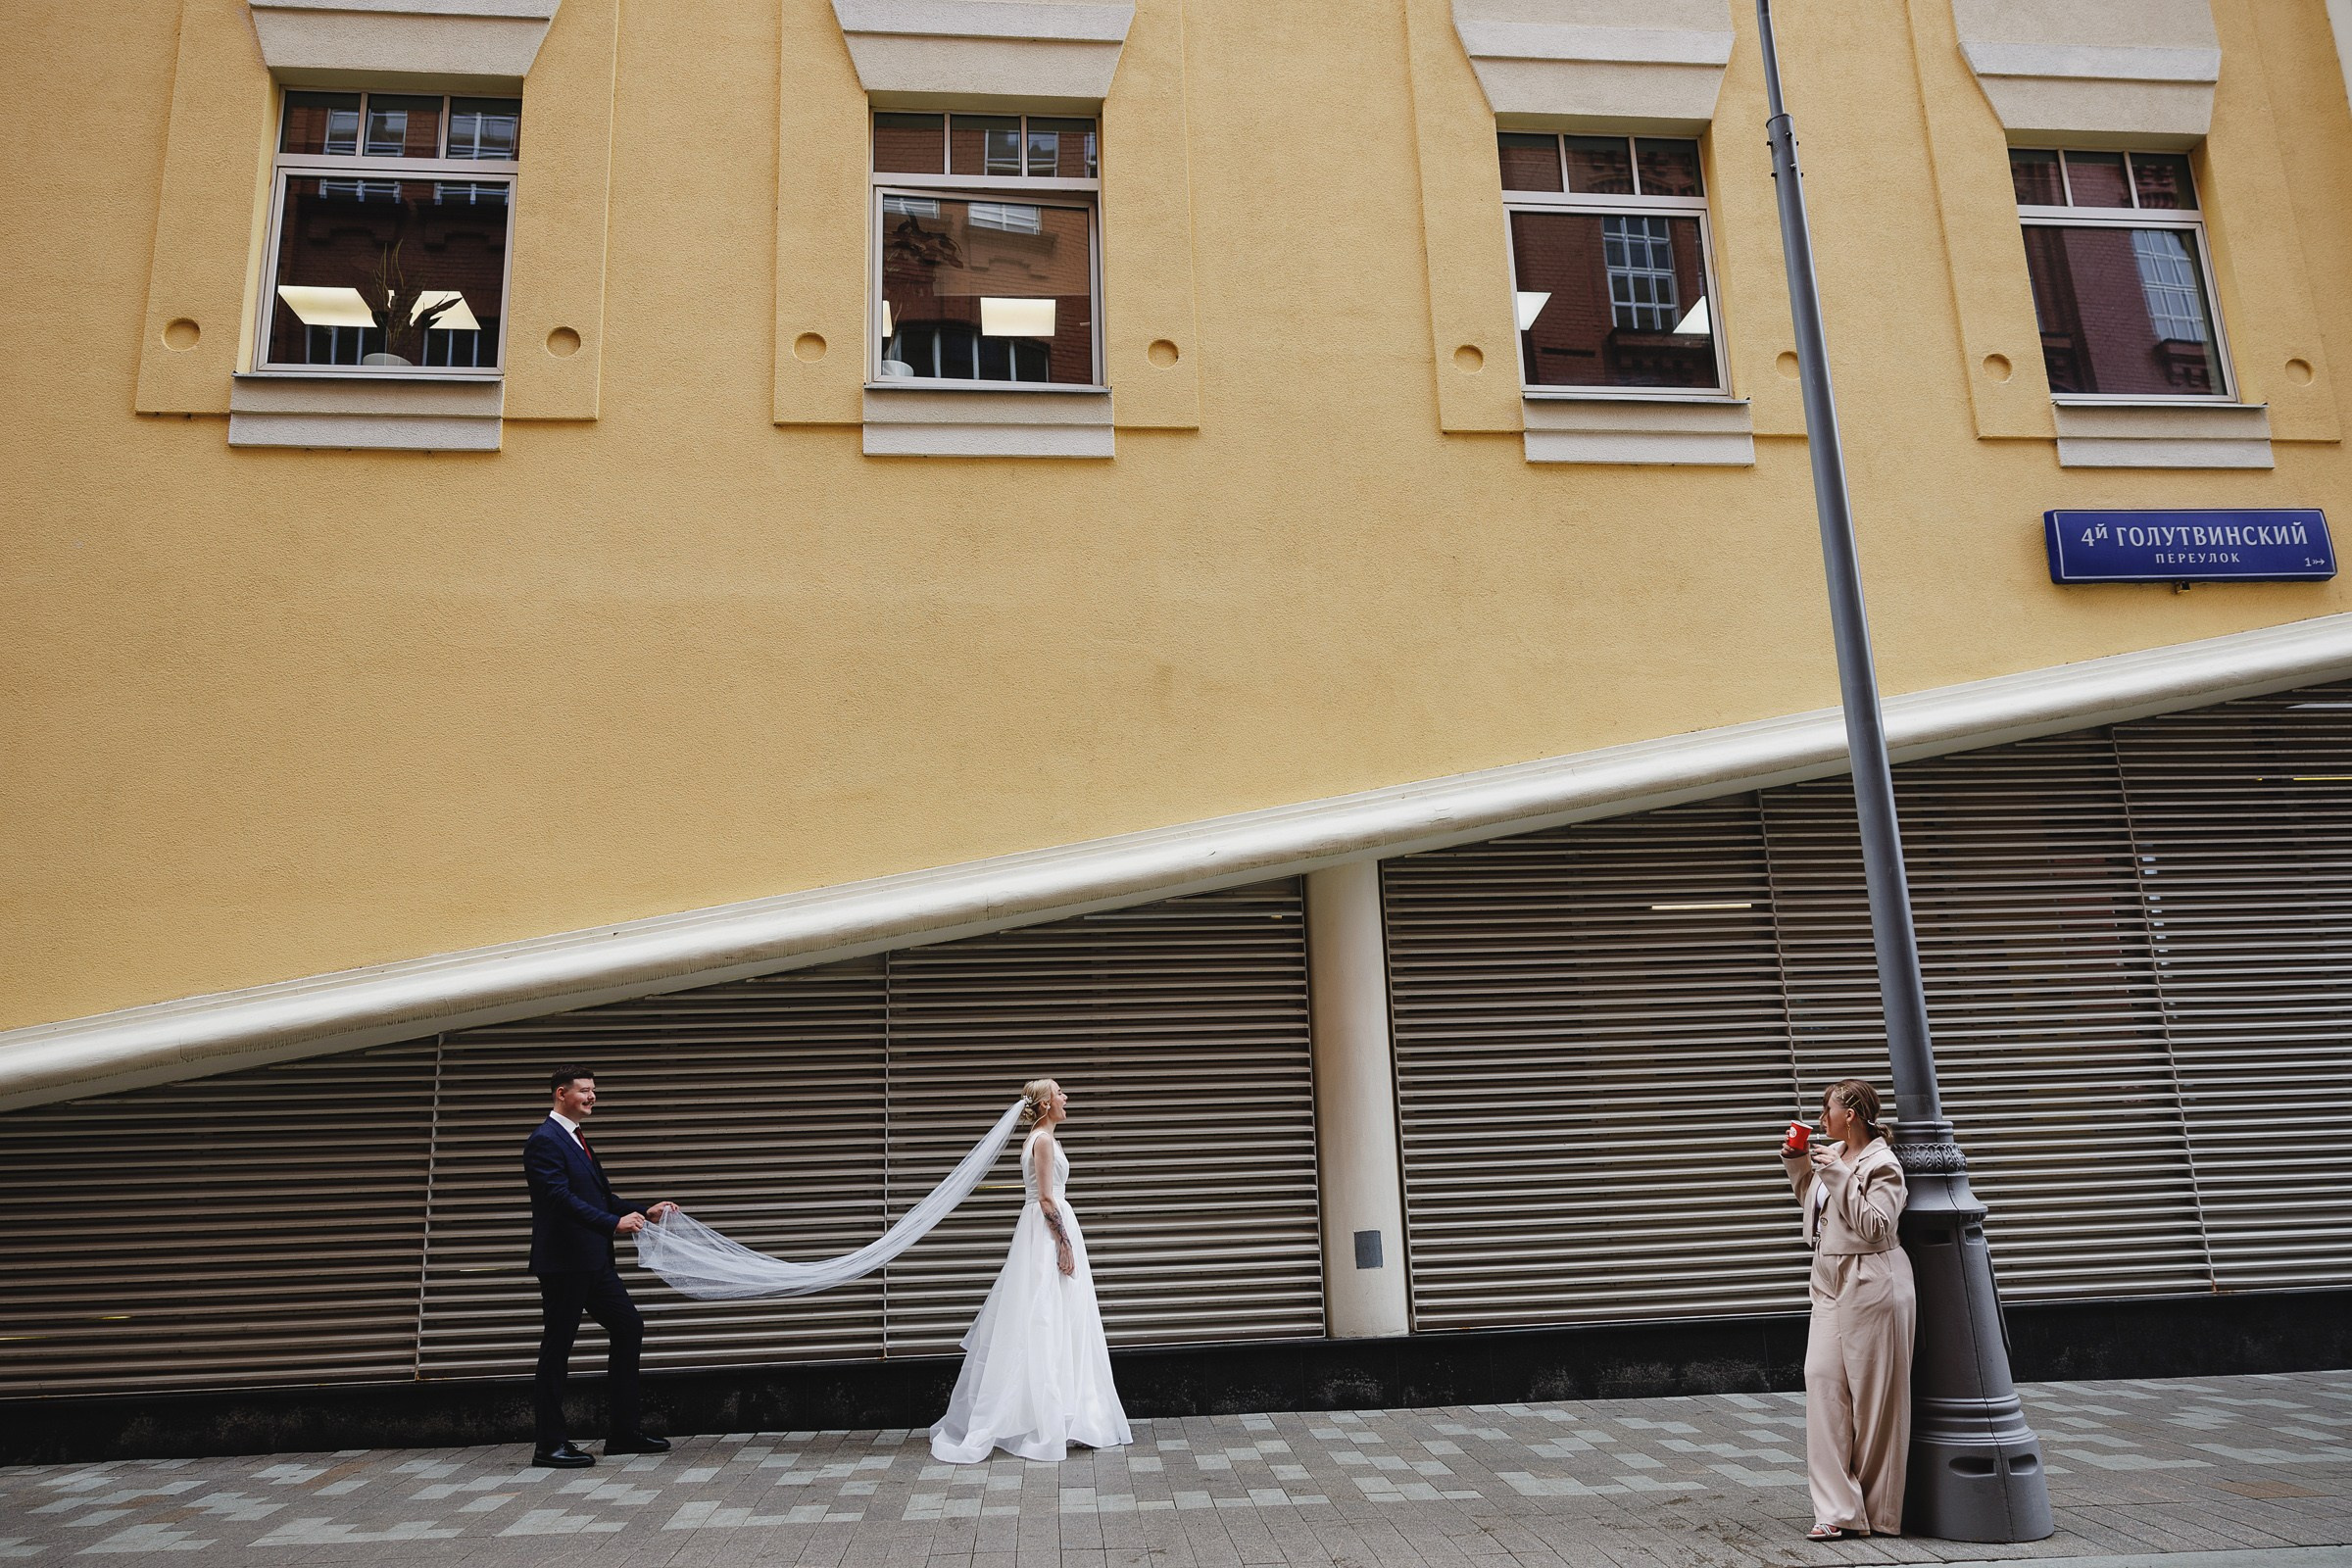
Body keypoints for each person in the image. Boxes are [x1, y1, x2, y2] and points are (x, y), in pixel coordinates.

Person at [930, 1078, 1133, 1463]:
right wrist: (1064, 1244)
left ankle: (1069, 1414)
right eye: (1059, 1092)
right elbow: (1044, 1197)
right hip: (1046, 1235)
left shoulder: (1045, 1139)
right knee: (1044, 1318)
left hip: (1047, 1231)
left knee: (1057, 1318)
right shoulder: (1041, 1141)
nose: (1065, 1097)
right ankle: (1050, 1418)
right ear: (1044, 1105)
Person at [1781, 1077, 1915, 1541]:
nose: (1821, 1120)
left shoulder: (1883, 1163)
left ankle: (1878, 1515)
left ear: (1851, 1114)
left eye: (1827, 1110)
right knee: (1821, 1381)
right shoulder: (1833, 1155)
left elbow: (1876, 1227)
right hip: (1829, 1279)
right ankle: (1837, 1510)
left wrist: (1836, 1175)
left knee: (1876, 1403)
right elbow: (1817, 1208)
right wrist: (1799, 1165)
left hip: (1873, 1278)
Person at [525, 1065, 680, 1469]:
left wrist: (642, 1209)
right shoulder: (544, 1140)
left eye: (594, 1091)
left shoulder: (576, 1138)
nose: (593, 1097)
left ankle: (624, 1433)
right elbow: (559, 1200)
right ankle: (549, 1445)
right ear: (561, 1093)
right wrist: (614, 1224)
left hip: (593, 1262)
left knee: (629, 1327)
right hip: (564, 1263)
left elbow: (599, 1195)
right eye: (585, 1091)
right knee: (557, 1349)